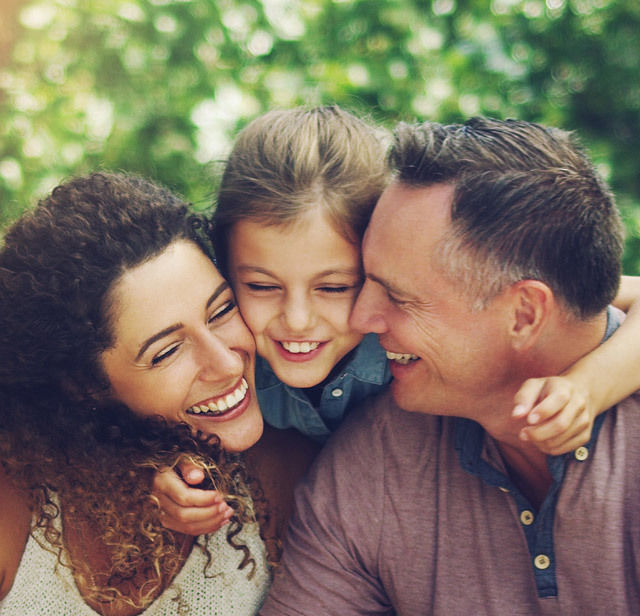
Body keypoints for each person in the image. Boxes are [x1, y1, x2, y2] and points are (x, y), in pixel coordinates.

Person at [156, 106, 640, 537]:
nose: (297, 321)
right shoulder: (227, 357)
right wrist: (167, 473)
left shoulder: (401, 329)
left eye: (334, 287)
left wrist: (587, 387)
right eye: (262, 287)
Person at [259, 117, 640, 614]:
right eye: (361, 282)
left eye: (397, 295)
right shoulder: (372, 464)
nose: (361, 318)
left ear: (524, 314)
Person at [0, 172, 315, 615]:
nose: (228, 362)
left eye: (220, 311)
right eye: (167, 351)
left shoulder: (283, 474)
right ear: (86, 384)